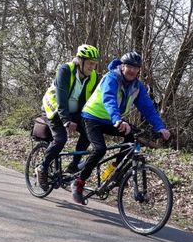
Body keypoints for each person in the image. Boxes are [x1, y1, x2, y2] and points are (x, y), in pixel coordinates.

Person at [72, 51, 171, 204]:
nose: (132, 70)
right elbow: (109, 99)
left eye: (136, 68)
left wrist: (160, 128)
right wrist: (118, 120)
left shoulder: (137, 87)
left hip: (111, 120)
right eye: (129, 66)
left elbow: (148, 109)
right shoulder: (111, 78)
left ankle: (114, 171)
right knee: (100, 149)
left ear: (139, 70)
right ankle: (79, 182)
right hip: (92, 117)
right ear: (122, 66)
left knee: (132, 137)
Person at [35, 44, 100, 190]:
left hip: (75, 112)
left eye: (94, 63)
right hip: (54, 108)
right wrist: (66, 121)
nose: (92, 67)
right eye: (90, 63)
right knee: (61, 139)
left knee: (89, 133)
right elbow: (61, 99)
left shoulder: (93, 77)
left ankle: (73, 167)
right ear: (80, 61)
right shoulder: (65, 70)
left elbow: (92, 102)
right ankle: (42, 167)